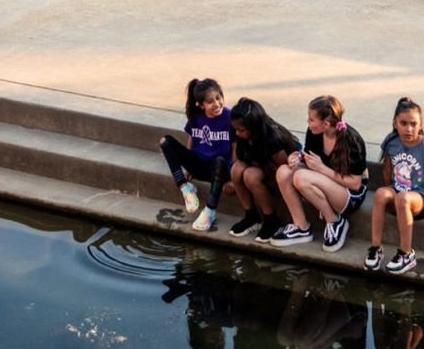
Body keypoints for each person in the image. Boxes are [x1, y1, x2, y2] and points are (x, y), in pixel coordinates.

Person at [273, 95, 369, 251]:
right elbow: (308, 158)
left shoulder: (352, 141)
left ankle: (334, 221)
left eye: (311, 120)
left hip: (350, 194)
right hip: (324, 182)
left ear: (326, 124)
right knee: (284, 172)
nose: (308, 123)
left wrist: (321, 169)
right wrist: (296, 158)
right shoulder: (314, 132)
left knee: (300, 177)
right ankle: (301, 227)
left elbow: (355, 183)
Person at [365, 97, 424, 277]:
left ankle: (406, 254)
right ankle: (375, 249)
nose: (408, 128)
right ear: (395, 123)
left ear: (420, 124)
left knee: (403, 198)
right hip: (398, 191)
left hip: (420, 197)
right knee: (379, 193)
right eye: (403, 123)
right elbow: (387, 172)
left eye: (413, 124)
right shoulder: (392, 142)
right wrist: (387, 197)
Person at [158, 77, 234, 234]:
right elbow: (192, 139)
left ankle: (209, 211)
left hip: (219, 170)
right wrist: (188, 167)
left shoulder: (229, 117)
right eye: (210, 101)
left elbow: (235, 147)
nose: (216, 104)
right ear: (201, 104)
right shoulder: (196, 117)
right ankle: (185, 187)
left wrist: (231, 178)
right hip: (199, 165)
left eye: (218, 98)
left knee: (219, 160)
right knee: (165, 141)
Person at [226, 97, 302, 242]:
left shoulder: (272, 137)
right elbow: (239, 157)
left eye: (241, 130)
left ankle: (272, 219)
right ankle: (251, 216)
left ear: (253, 127)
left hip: (278, 172)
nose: (237, 134)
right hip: (261, 164)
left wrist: (264, 174)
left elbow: (284, 168)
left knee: (250, 176)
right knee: (236, 169)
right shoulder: (241, 132)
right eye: (235, 129)